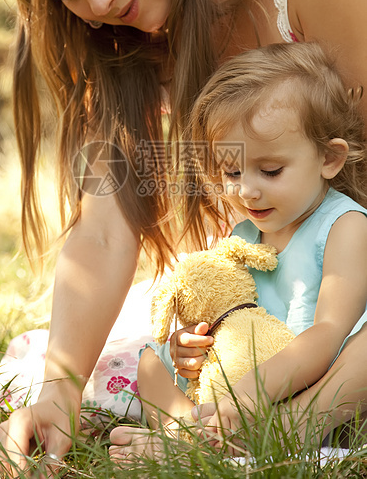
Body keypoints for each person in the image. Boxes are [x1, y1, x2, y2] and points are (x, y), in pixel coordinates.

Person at [0, 0, 367, 471]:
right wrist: (59, 389)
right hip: (271, 303)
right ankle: (221, 424)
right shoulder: (120, 49)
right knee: (64, 364)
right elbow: (104, 229)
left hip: (349, 281)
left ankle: (287, 429)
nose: (97, 4)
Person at [110, 42, 367, 460]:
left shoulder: (345, 225)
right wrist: (188, 348)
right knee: (150, 361)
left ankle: (288, 429)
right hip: (238, 388)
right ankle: (194, 437)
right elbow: (228, 315)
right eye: (232, 171)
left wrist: (251, 392)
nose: (246, 189)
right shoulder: (245, 234)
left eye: (270, 171)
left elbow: (328, 334)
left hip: (318, 393)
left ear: (329, 158)